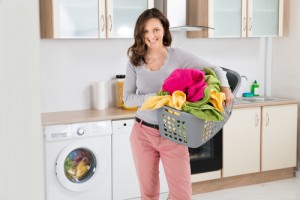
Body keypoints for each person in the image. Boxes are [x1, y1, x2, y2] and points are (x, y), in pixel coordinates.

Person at [123, 8, 234, 200]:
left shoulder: (177, 55)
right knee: (148, 194)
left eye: (156, 29)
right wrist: (157, 97)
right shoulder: (135, 59)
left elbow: (215, 68)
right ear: (140, 34)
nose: (151, 36)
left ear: (164, 30)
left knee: (182, 195)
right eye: (146, 31)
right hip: (142, 133)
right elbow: (127, 98)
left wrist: (225, 88)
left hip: (173, 132)